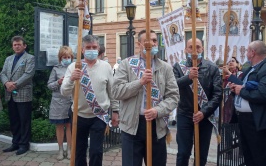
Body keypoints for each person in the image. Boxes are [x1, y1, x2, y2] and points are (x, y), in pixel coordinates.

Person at [112, 29, 179, 166]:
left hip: (157, 125)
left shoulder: (165, 68)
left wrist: (158, 110)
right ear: (139, 44)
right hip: (132, 125)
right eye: (147, 41)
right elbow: (116, 92)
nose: (152, 44)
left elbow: (173, 96)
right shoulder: (126, 64)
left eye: (154, 40)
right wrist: (140, 82)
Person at [61, 35, 119, 166]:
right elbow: (64, 92)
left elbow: (112, 91)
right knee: (79, 151)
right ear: (82, 50)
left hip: (99, 116)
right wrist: (71, 79)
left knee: (96, 151)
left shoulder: (105, 67)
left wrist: (116, 111)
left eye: (94, 47)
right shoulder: (73, 67)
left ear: (98, 49)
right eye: (88, 47)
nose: (91, 50)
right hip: (78, 115)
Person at [228, 40, 266, 166]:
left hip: (258, 121)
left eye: (247, 51)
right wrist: (235, 88)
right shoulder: (251, 68)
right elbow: (245, 86)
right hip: (245, 120)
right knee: (248, 155)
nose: (246, 53)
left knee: (259, 157)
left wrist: (241, 92)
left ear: (252, 52)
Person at [173, 38, 222, 166]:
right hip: (185, 114)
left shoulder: (212, 68)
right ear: (185, 49)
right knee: (183, 153)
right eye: (191, 47)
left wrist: (204, 112)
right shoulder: (178, 67)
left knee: (201, 155)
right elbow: (173, 86)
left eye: (198, 47)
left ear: (203, 49)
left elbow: (217, 94)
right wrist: (188, 78)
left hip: (204, 116)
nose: (195, 50)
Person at [1, 36, 35, 155]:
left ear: (24, 45)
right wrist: (6, 83)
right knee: (14, 120)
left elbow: (28, 74)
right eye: (15, 45)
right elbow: (3, 73)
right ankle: (15, 143)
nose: (17, 46)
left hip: (23, 94)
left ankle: (24, 144)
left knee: (24, 121)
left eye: (19, 44)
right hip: (10, 94)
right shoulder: (8, 59)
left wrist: (14, 84)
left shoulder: (30, 58)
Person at [47, 46, 73, 160]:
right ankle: (60, 150)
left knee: (70, 126)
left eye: (69, 57)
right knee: (59, 126)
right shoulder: (55, 69)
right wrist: (58, 82)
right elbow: (49, 85)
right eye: (64, 57)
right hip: (58, 102)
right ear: (60, 58)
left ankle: (70, 150)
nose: (67, 59)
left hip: (71, 101)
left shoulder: (74, 68)